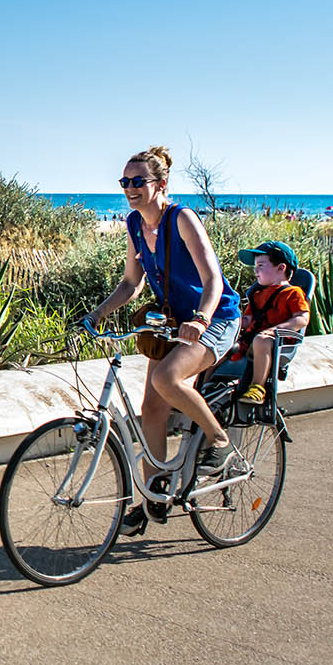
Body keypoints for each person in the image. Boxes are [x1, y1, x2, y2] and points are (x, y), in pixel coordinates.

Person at [84, 145, 242, 536]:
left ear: (161, 184)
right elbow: (130, 283)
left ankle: (218, 440)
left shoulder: (182, 218)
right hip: (171, 321)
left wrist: (203, 319)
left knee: (167, 380)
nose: (130, 188)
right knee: (150, 410)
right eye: (125, 182)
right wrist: (97, 313)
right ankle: (152, 498)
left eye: (138, 181)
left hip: (216, 319)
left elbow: (213, 280)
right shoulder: (135, 224)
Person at [230, 240, 310, 405]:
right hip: (251, 341)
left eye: (260, 265)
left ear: (281, 268)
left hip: (276, 342)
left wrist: (275, 330)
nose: (255, 270)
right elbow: (248, 320)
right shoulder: (258, 294)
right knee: (220, 344)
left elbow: (302, 317)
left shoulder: (293, 293)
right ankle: (200, 387)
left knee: (261, 339)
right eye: (255, 266)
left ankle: (257, 388)